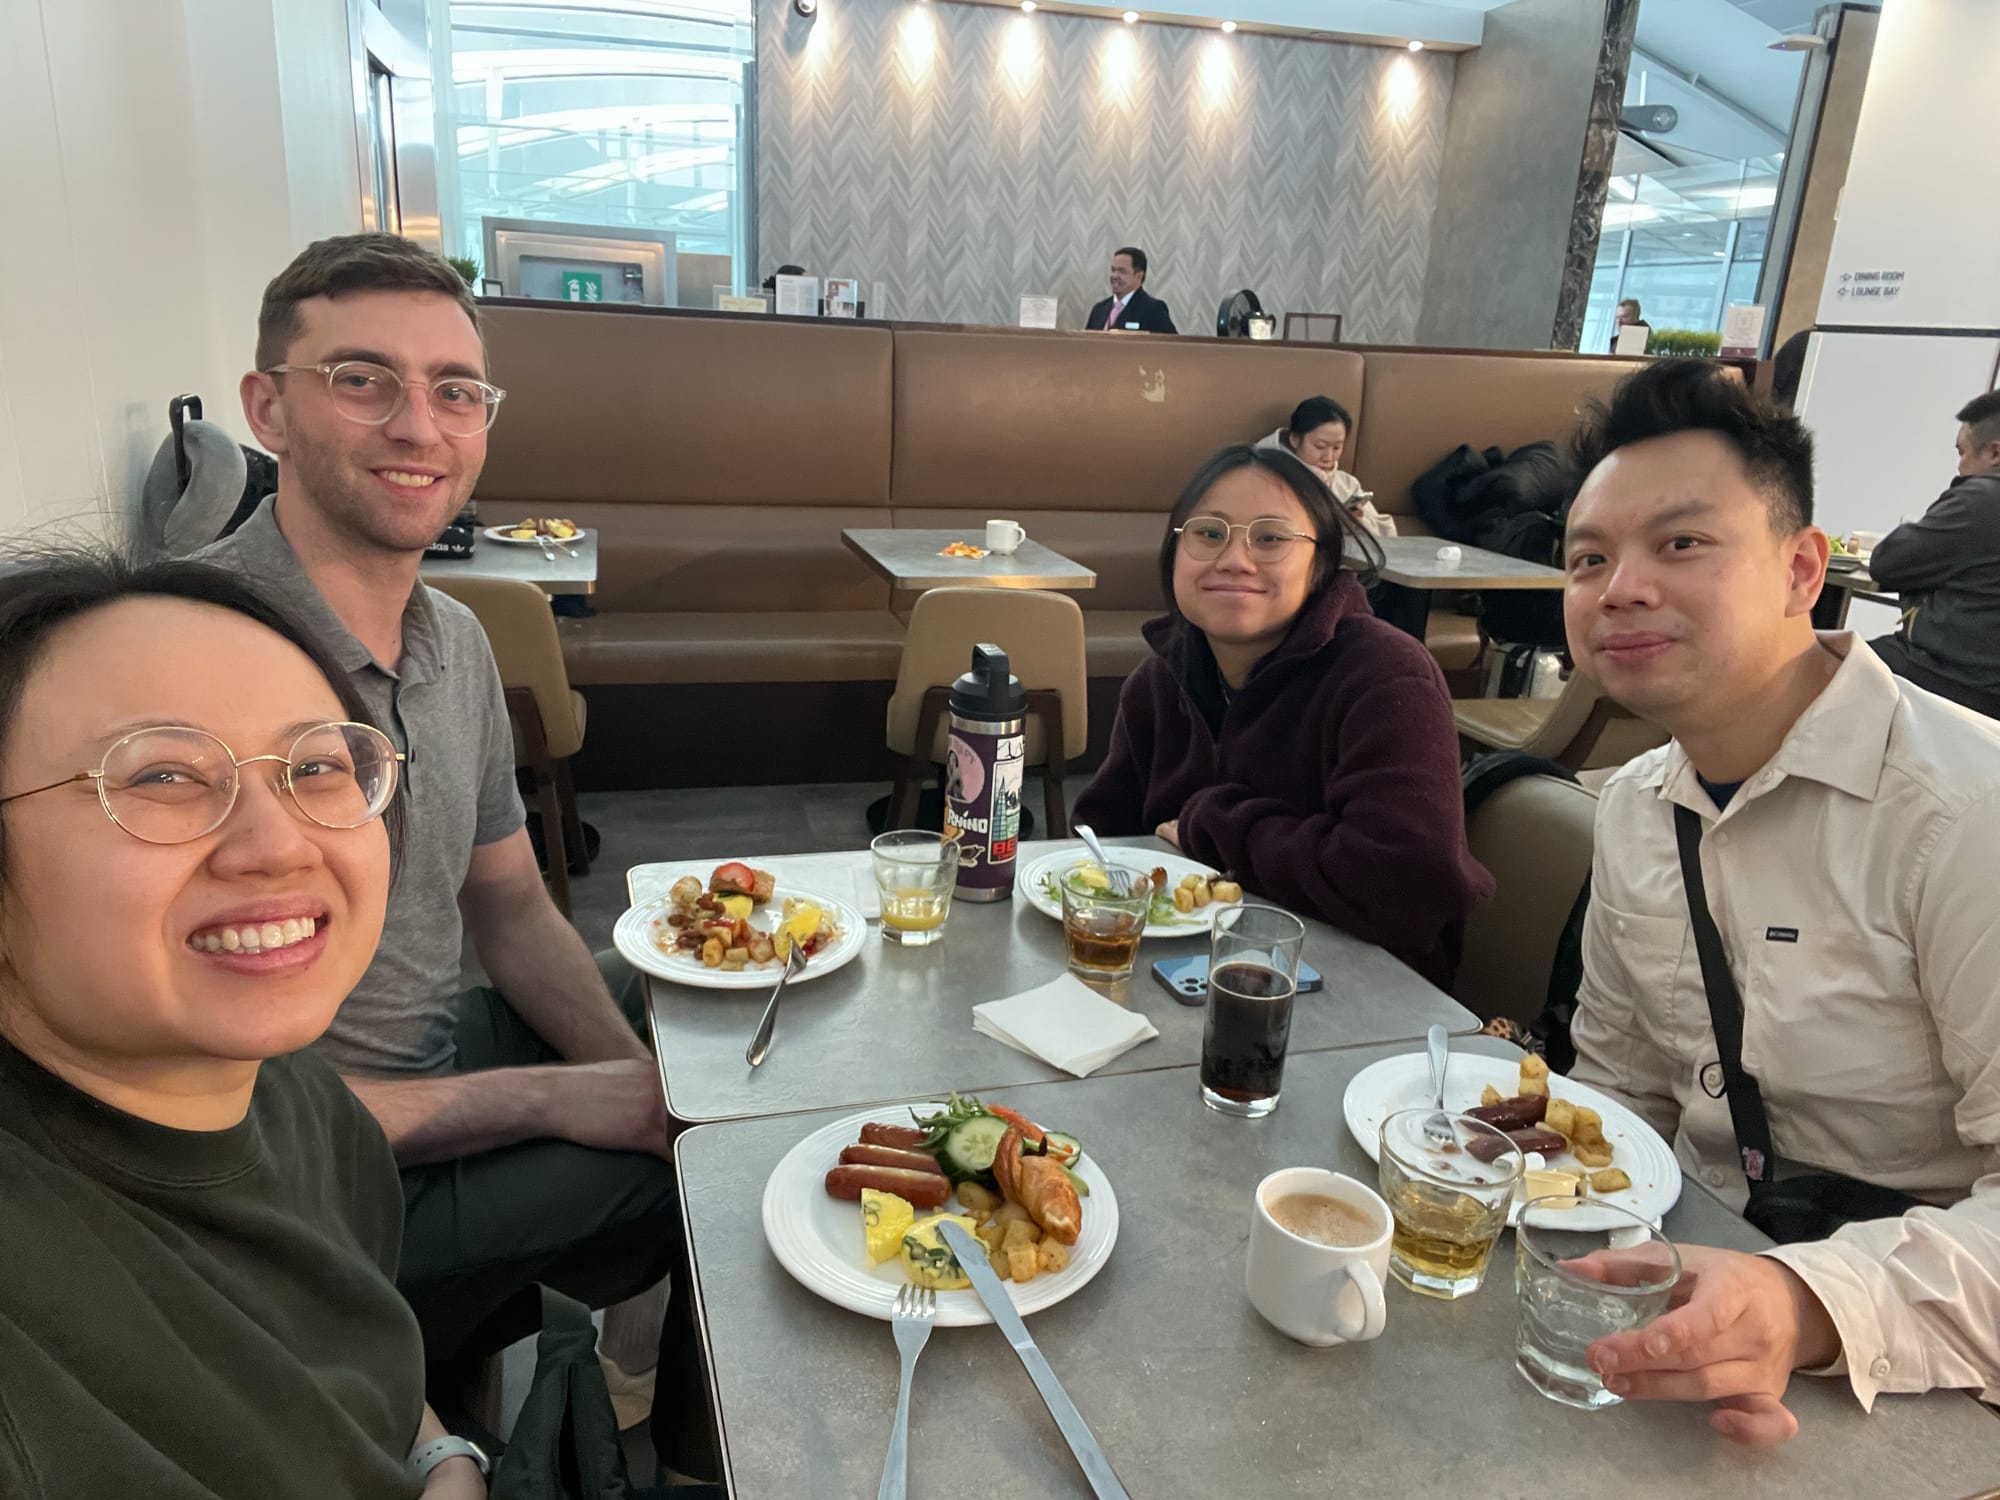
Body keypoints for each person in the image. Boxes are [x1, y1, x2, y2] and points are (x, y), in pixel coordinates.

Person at [200, 233, 714, 1476]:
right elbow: (216, 1115)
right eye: (360, 379)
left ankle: (575, 1370)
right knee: (713, 1173)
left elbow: (512, 906)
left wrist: (629, 1079)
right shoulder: (201, 662)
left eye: (454, 390)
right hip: (300, 1184)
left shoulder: (455, 641)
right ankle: (687, 1454)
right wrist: (561, 1100)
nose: (415, 425)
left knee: (706, 1017)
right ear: (267, 408)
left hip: (431, 1049)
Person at [1557, 359, 2000, 1447]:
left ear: (1802, 570)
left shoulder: (1965, 814)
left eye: (1680, 543)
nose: (1619, 588)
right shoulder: (1633, 808)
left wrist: (1805, 1303)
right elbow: (1617, 1092)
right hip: (1679, 1315)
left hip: (1919, 1369)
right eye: (1587, 558)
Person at [0, 552, 483, 1498]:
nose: (278, 844)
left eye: (317, 766)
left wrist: (444, 1456)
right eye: (162, 776)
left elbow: (345, 1355)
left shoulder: (294, 1096)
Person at [1071, 445, 1492, 986]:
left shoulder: (1384, 675)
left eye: (1270, 538)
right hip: (1168, 977)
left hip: (1360, 992)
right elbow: (1102, 842)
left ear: (1321, 564)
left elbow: (1404, 883)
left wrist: (1213, 823)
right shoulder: (1158, 681)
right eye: (1209, 533)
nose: (1235, 559)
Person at [1863, 390, 2000, 719]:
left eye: (1962, 453)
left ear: (1995, 452)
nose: (1960, 465)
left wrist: (1959, 491)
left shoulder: (1980, 499)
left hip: (1952, 681)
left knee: (1818, 667)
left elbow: (1887, 564)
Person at [1254, 396, 1397, 538]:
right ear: (1295, 439)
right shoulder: (1262, 475)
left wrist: (1357, 522)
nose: (1329, 457)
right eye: (1320, 446)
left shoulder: (1347, 485)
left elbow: (1387, 538)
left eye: (1336, 447)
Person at [1086, 247, 1177, 334]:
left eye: (1122, 271)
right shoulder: (1099, 309)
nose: (1115, 276)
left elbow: (1169, 343)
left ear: (1139, 276)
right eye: (1113, 270)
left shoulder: (1153, 309)